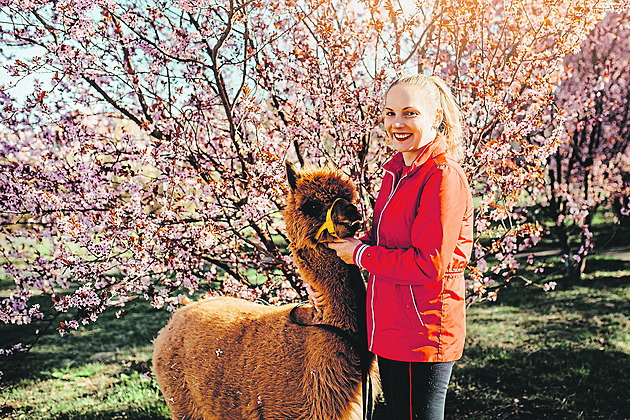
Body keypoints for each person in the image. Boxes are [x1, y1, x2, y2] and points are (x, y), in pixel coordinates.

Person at [313, 74, 474, 420]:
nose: (396, 124)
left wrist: (360, 254)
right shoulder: (396, 171)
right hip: (392, 324)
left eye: (410, 113)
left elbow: (429, 264)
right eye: (389, 113)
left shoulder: (441, 176)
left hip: (424, 328)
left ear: (437, 118)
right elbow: (389, 240)